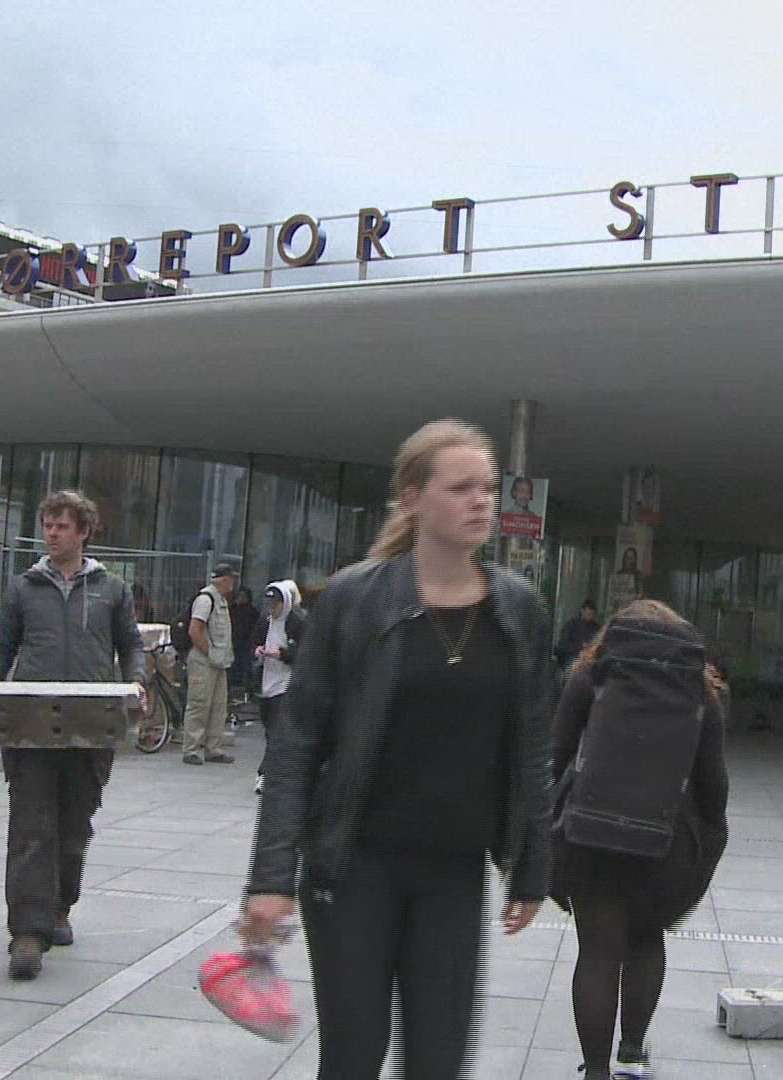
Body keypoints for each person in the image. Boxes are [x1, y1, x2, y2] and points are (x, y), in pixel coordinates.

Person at [240, 419, 554, 1079]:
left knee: (438, 1061)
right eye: (461, 487)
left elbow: (531, 746)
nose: (482, 501)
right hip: (353, 866)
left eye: (488, 487)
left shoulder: (517, 607)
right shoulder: (355, 598)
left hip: (454, 870)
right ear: (412, 499)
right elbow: (296, 744)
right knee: (353, 1055)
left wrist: (532, 866)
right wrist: (270, 880)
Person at [551, 601, 728, 1080]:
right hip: (665, 840)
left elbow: (556, 754)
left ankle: (595, 1071)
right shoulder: (699, 692)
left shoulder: (591, 677)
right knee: (647, 941)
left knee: (597, 952)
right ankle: (631, 1053)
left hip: (591, 835)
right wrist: (708, 843)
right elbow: (714, 786)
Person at [0, 490, 147, 981]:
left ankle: (60, 907)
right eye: (48, 525)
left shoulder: (112, 589)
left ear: (83, 531)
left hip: (91, 724)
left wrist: (136, 683)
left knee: (74, 826)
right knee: (31, 826)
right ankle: (27, 933)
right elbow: (1, 647)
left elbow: (131, 644)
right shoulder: (22, 588)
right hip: (31, 726)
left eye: (62, 526)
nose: (53, 534)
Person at [251, 580, 308, 796]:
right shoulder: (265, 621)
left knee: (276, 730)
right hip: (266, 681)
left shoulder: (298, 622)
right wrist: (259, 650)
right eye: (269, 604)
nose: (272, 609)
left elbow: (307, 653)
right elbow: (254, 641)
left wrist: (283, 654)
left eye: (275, 605)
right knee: (270, 729)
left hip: (286, 684)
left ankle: (265, 773)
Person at [183, 562, 239, 766]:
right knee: (199, 704)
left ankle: (213, 748)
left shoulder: (220, 600)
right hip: (203, 662)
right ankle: (191, 749)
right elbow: (194, 630)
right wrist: (210, 653)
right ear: (224, 580)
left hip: (219, 662)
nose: (233, 583)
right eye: (231, 579)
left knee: (218, 706)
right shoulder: (205, 600)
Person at [555, 601, 603, 671]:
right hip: (573, 657)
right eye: (588, 614)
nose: (589, 616)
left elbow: (600, 644)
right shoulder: (572, 625)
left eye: (591, 614)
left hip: (589, 660)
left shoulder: (596, 627)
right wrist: (580, 646)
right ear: (582, 611)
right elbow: (563, 645)